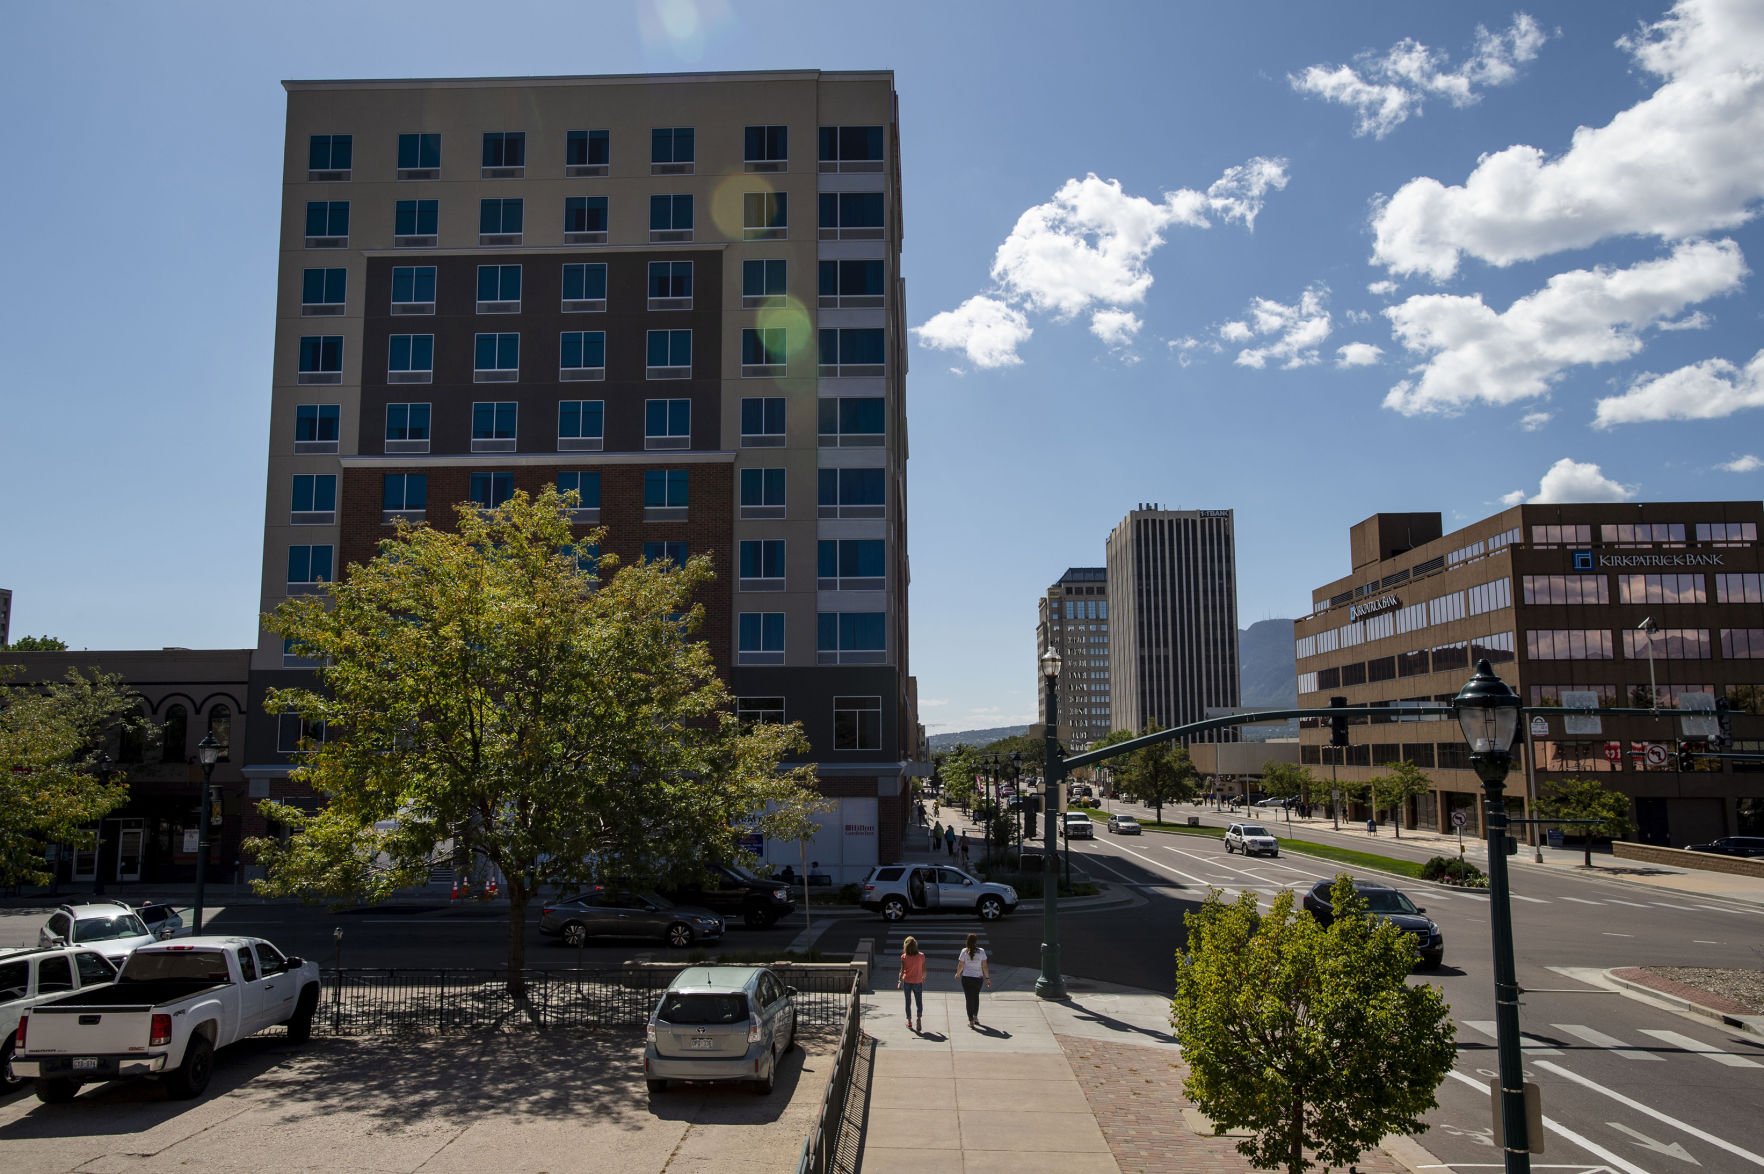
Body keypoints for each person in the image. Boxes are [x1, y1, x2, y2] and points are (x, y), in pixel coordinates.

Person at [955, 932, 989, 1027]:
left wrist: (958, 974)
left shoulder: (964, 951)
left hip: (966, 978)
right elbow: (985, 966)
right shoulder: (981, 951)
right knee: (976, 997)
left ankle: (971, 1020)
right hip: (978, 978)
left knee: (968, 999)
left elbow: (961, 964)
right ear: (976, 941)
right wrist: (987, 978)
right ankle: (975, 1016)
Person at [899, 935, 926, 1032]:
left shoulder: (903, 957)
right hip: (918, 981)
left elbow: (902, 971)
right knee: (919, 1001)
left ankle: (909, 1021)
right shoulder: (921, 956)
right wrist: (923, 977)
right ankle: (918, 1018)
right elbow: (924, 970)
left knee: (908, 1001)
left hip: (907, 982)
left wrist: (899, 980)